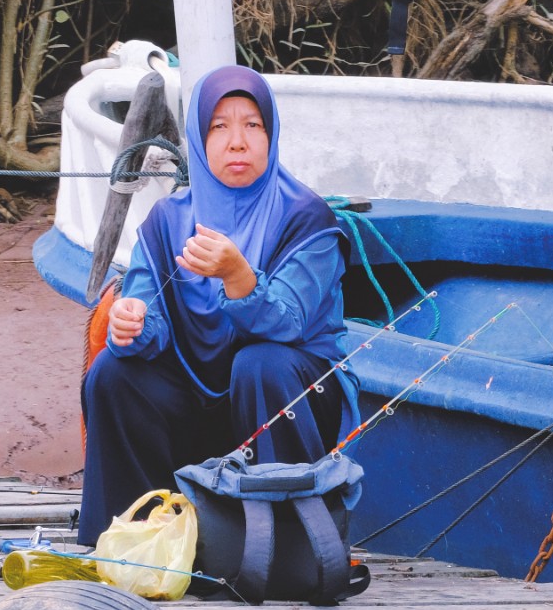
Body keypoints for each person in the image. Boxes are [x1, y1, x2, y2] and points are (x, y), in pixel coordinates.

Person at [79, 67, 352, 545]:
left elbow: (289, 324)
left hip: (290, 398)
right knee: (112, 375)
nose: (238, 142)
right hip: (199, 401)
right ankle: (137, 542)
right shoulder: (168, 219)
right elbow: (146, 309)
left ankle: (288, 545)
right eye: (219, 127)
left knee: (259, 364)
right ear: (199, 141)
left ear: (271, 134)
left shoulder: (308, 219)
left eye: (253, 125)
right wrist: (131, 324)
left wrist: (239, 277)